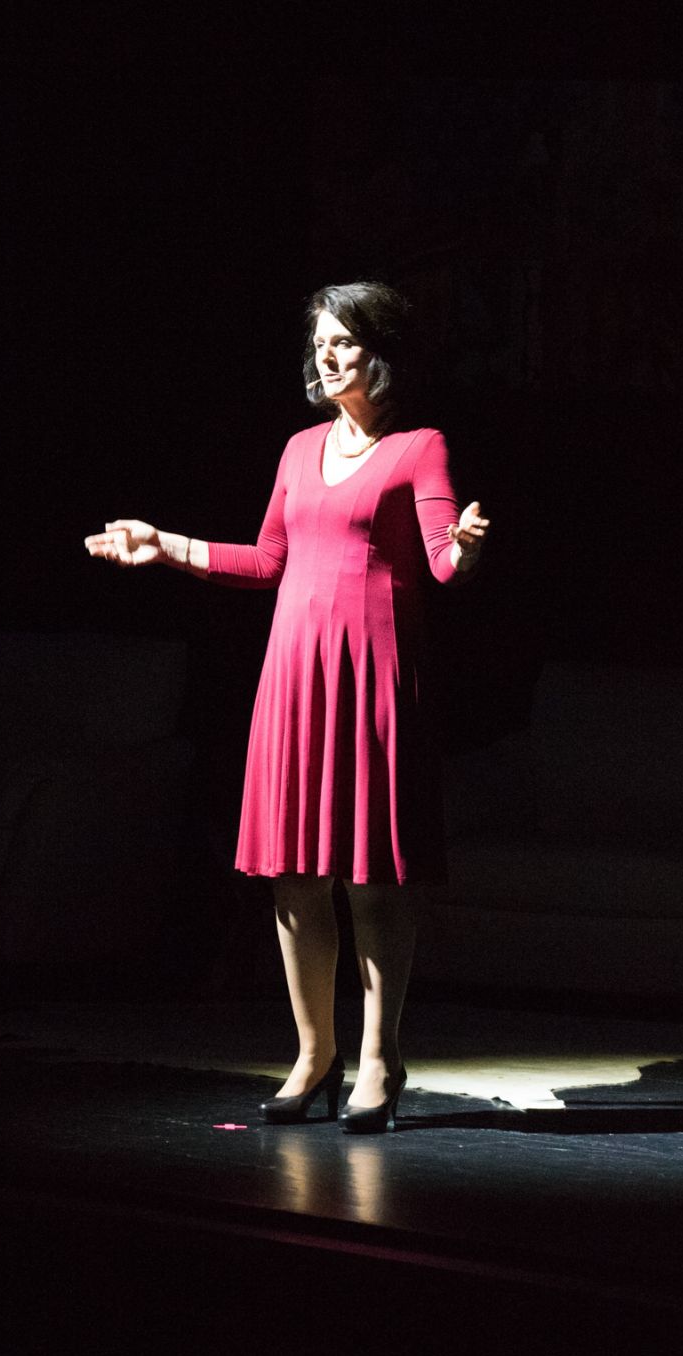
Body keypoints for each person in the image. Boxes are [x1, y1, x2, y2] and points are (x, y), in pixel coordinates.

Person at [85, 281, 489, 1133]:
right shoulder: (299, 448)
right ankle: (313, 1053)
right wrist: (165, 545)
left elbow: (442, 562)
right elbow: (269, 560)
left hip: (371, 674)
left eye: (344, 340)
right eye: (320, 341)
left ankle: (379, 1058)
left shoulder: (419, 447)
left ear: (382, 351)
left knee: (372, 879)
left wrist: (465, 550)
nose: (326, 354)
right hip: (296, 675)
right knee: (296, 874)